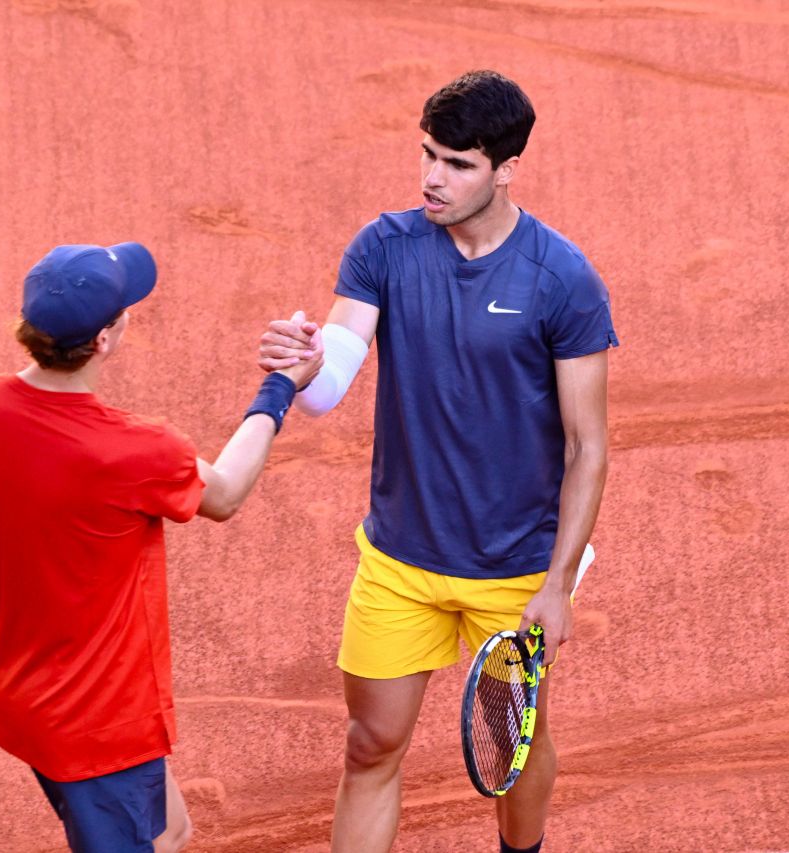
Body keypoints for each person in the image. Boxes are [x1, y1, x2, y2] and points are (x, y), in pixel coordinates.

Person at [258, 70, 618, 853]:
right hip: (400, 558)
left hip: (513, 567)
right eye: (428, 155)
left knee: (514, 750)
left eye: (458, 163)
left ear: (506, 168)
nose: (432, 177)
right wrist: (305, 363)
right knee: (369, 744)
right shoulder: (384, 247)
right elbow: (331, 381)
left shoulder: (562, 280)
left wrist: (556, 587)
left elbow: (589, 445)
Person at [0, 242, 323, 853]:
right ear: (105, 340)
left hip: (25, 701)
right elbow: (225, 494)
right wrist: (279, 388)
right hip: (101, 727)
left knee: (172, 834)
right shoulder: (133, 450)